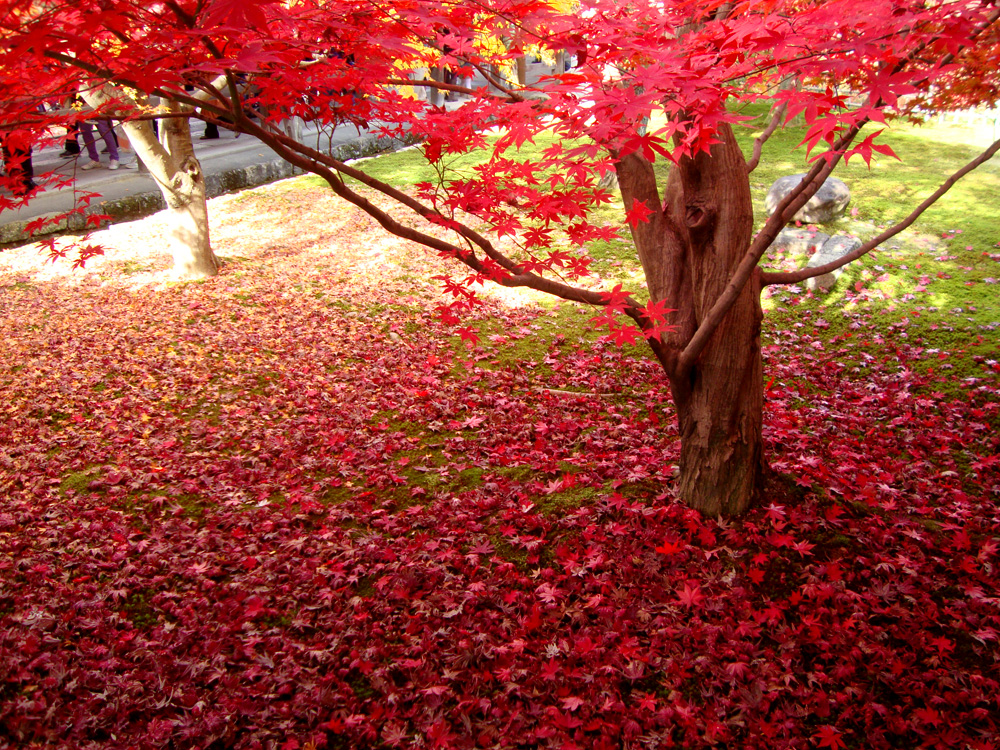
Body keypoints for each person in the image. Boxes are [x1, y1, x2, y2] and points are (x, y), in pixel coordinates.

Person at [2, 129, 38, 196]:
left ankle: (27, 180)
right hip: (7, 129)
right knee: (11, 156)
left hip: (21, 128)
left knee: (25, 153)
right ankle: (17, 184)